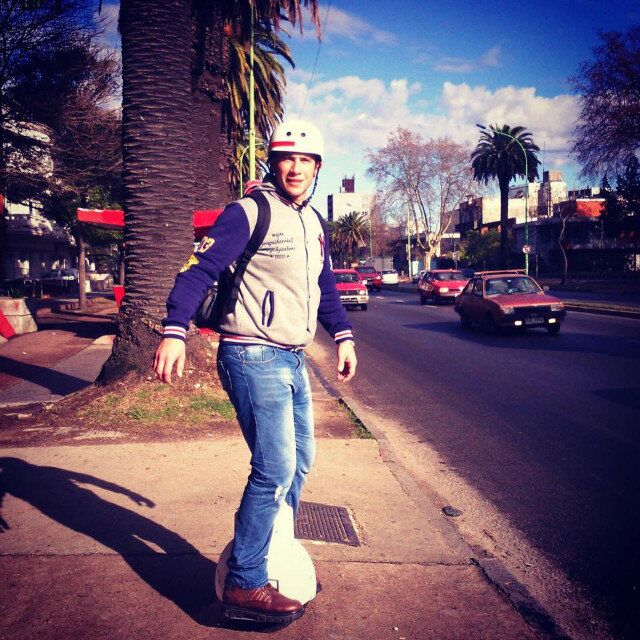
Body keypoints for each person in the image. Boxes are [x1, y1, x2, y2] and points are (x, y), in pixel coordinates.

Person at [153, 119, 357, 623]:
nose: (296, 168)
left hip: (292, 356)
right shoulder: (248, 213)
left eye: (305, 160)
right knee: (275, 467)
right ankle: (245, 583)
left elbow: (324, 287)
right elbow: (198, 269)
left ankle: (275, 553)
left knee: (301, 461)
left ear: (318, 167)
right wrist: (175, 330)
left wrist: (343, 336)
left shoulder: (314, 224)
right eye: (287, 158)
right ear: (273, 162)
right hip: (251, 352)